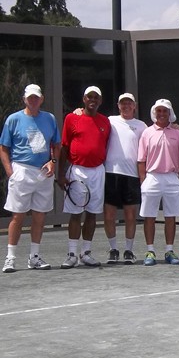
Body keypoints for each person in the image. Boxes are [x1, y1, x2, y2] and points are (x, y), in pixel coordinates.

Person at [1, 84, 59, 272]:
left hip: (43, 172)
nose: (33, 100)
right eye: (30, 97)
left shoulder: (50, 118)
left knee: (39, 216)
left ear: (41, 99)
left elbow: (56, 144)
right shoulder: (14, 119)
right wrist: (11, 173)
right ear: (24, 99)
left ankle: (34, 257)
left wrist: (53, 162)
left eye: (36, 97)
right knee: (17, 216)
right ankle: (10, 258)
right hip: (22, 170)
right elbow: (3, 148)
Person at [57, 85, 111, 268]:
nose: (93, 100)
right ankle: (72, 254)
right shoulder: (72, 118)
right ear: (84, 99)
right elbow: (64, 147)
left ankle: (86, 253)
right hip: (77, 171)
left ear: (100, 101)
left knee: (92, 213)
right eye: (90, 97)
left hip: (97, 171)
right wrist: (60, 174)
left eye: (96, 97)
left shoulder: (105, 122)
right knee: (75, 213)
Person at [137, 99, 179, 266]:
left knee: (170, 216)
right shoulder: (147, 133)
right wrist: (143, 181)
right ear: (154, 112)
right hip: (152, 177)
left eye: (165, 111)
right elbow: (141, 159)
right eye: (159, 110)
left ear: (170, 113)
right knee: (149, 216)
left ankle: (169, 250)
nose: (162, 114)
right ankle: (150, 251)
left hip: (172, 177)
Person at [103, 93, 146, 264]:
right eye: (123, 103)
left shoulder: (141, 126)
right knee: (109, 214)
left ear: (134, 106)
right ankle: (113, 249)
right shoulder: (110, 121)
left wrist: (174, 126)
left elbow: (155, 135)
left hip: (132, 175)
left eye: (129, 103)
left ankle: (129, 250)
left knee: (130, 215)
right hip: (111, 173)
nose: (126, 106)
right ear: (118, 105)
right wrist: (78, 112)